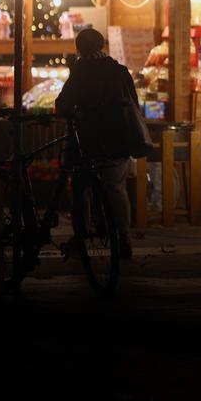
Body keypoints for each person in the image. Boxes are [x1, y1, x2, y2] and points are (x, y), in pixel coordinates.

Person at [55, 28, 137, 259]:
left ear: (78, 48)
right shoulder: (119, 70)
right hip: (118, 139)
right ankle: (124, 238)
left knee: (82, 188)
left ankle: (81, 238)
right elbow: (133, 103)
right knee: (115, 188)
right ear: (102, 45)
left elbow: (62, 105)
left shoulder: (81, 71)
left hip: (87, 142)